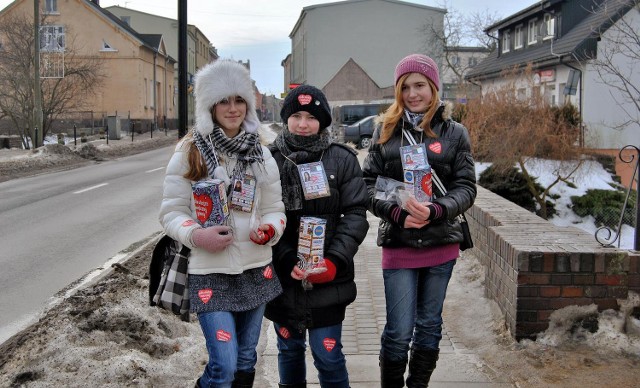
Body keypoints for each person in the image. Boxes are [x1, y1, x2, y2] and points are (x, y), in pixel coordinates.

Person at [159, 59, 286, 388]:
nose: (233, 108)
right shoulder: (191, 152)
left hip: (257, 268)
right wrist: (198, 235)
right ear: (209, 107)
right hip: (209, 273)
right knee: (225, 364)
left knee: (246, 360)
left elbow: (275, 207)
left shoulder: (261, 153)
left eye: (239, 99)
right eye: (224, 101)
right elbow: (171, 212)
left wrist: (270, 229)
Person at [362, 54, 477, 388]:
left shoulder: (455, 133)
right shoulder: (384, 131)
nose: (413, 94)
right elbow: (367, 186)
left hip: (441, 241)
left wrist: (436, 210)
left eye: (420, 86)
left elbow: (466, 187)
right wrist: (397, 214)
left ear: (434, 88)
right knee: (398, 331)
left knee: (429, 324)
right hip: (399, 243)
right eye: (405, 87)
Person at [265, 85, 369, 388]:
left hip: (330, 278)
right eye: (296, 116)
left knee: (328, 356)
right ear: (286, 119)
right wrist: (285, 260)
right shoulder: (271, 160)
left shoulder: (342, 158)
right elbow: (265, 217)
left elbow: (355, 214)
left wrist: (334, 261)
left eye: (311, 117)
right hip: (284, 280)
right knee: (289, 351)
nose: (302, 123)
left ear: (322, 121)